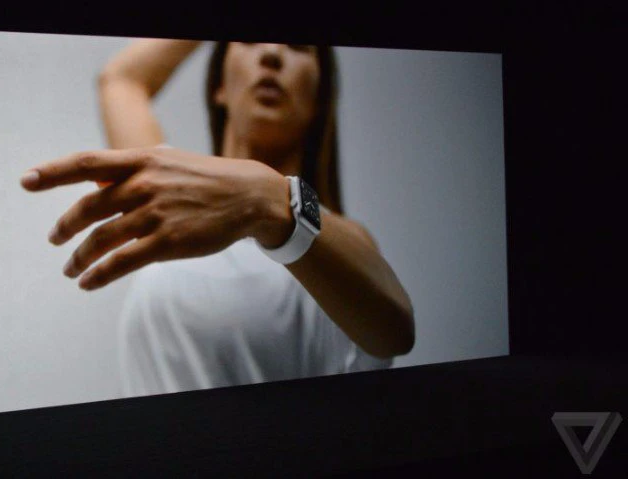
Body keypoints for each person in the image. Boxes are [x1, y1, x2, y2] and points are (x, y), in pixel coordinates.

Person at [20, 39, 415, 396]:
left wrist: (268, 196)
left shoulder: (339, 241)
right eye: (250, 38)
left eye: (298, 45)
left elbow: (396, 330)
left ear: (317, 100)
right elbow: (122, 78)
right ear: (219, 87)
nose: (272, 53)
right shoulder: (165, 200)